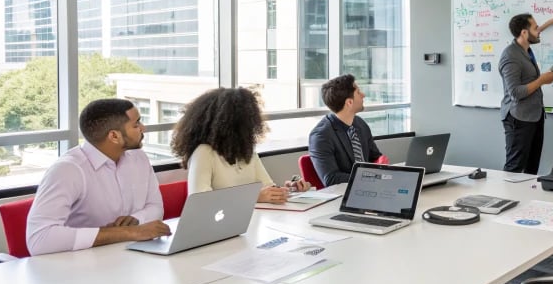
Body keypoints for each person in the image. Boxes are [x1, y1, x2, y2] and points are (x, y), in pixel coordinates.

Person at [26, 99, 171, 256]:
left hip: (128, 258)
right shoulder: (68, 170)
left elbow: (156, 207)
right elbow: (39, 240)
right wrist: (129, 232)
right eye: (136, 125)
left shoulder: (139, 158)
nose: (143, 128)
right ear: (114, 136)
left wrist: (137, 219)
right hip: (78, 267)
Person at [171, 87, 310, 204]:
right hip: (219, 229)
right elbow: (200, 201)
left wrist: (289, 190)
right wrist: (253, 198)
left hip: (249, 223)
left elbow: (267, 188)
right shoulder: (204, 153)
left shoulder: (246, 151)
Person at [498, 12, 553, 174]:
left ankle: (526, 199)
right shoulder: (511, 56)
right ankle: (507, 199)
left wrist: (550, 22)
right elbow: (515, 92)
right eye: (536, 28)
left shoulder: (524, 48)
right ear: (524, 33)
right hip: (518, 118)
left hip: (534, 116)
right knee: (514, 168)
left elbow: (535, 33)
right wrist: (542, 80)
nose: (539, 30)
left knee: (531, 168)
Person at [309, 74, 382, 186]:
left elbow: (375, 156)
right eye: (358, 92)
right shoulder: (321, 135)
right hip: (343, 195)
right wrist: (368, 177)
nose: (363, 95)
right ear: (349, 102)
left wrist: (381, 162)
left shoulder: (360, 124)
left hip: (369, 188)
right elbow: (331, 179)